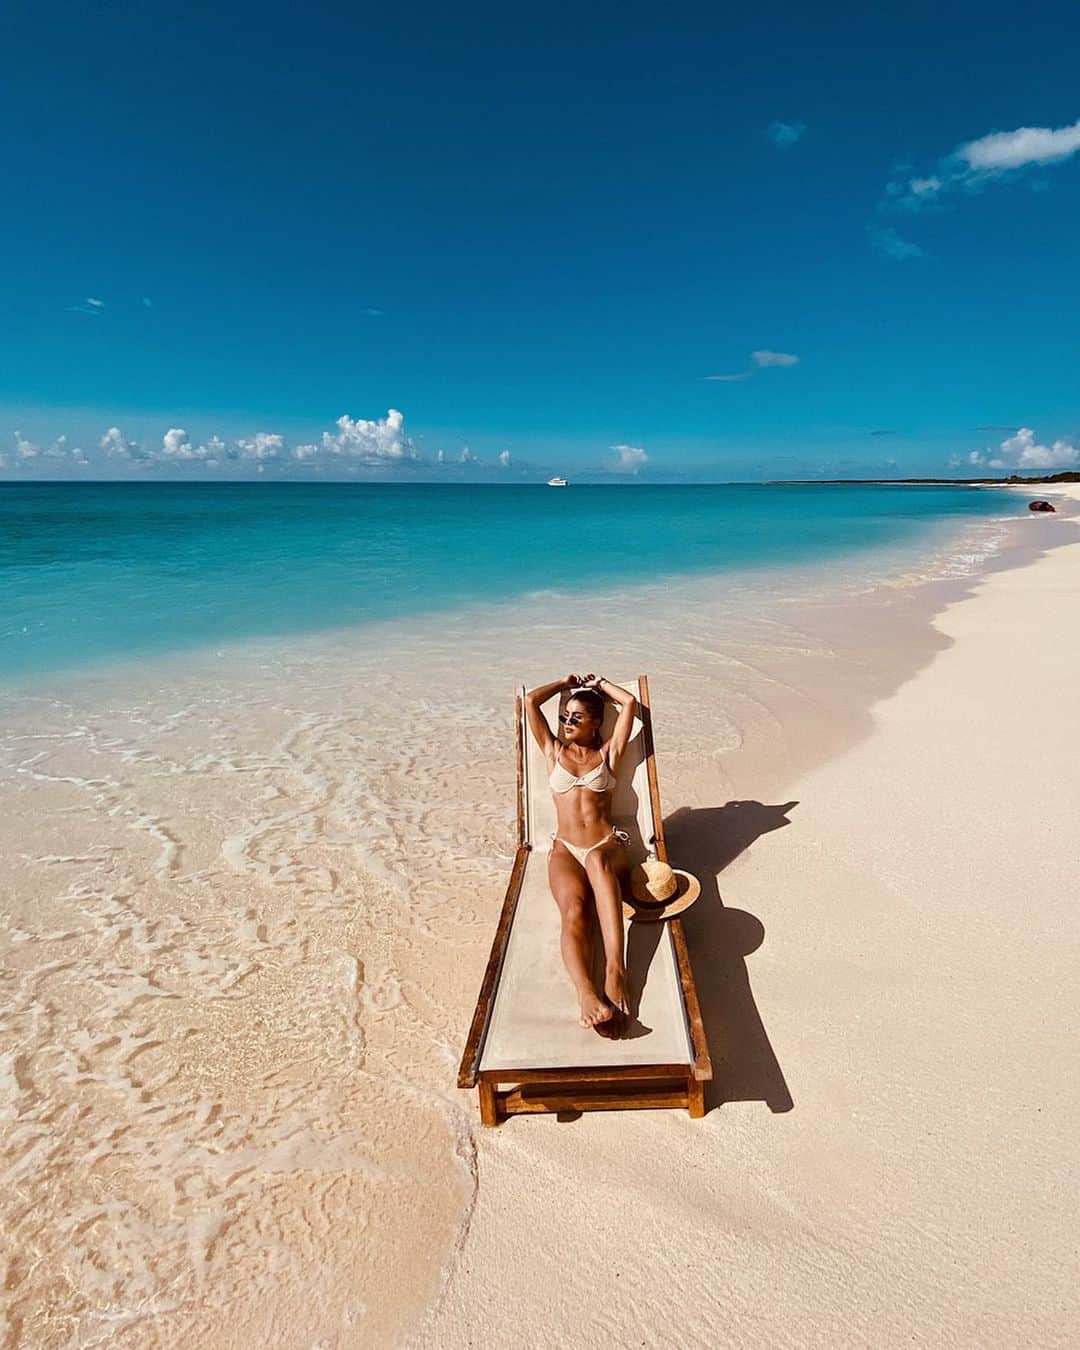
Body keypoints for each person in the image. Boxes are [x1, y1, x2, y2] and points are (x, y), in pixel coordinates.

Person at [523, 673, 638, 1037]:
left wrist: (601, 684)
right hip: (565, 849)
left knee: (595, 860)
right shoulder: (553, 751)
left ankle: (615, 970)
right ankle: (587, 993)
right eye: (564, 716)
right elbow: (529, 702)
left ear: (596, 722)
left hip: (606, 847)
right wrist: (563, 683)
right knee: (572, 912)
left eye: (576, 717)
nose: (568, 722)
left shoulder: (608, 754)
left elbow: (630, 705)